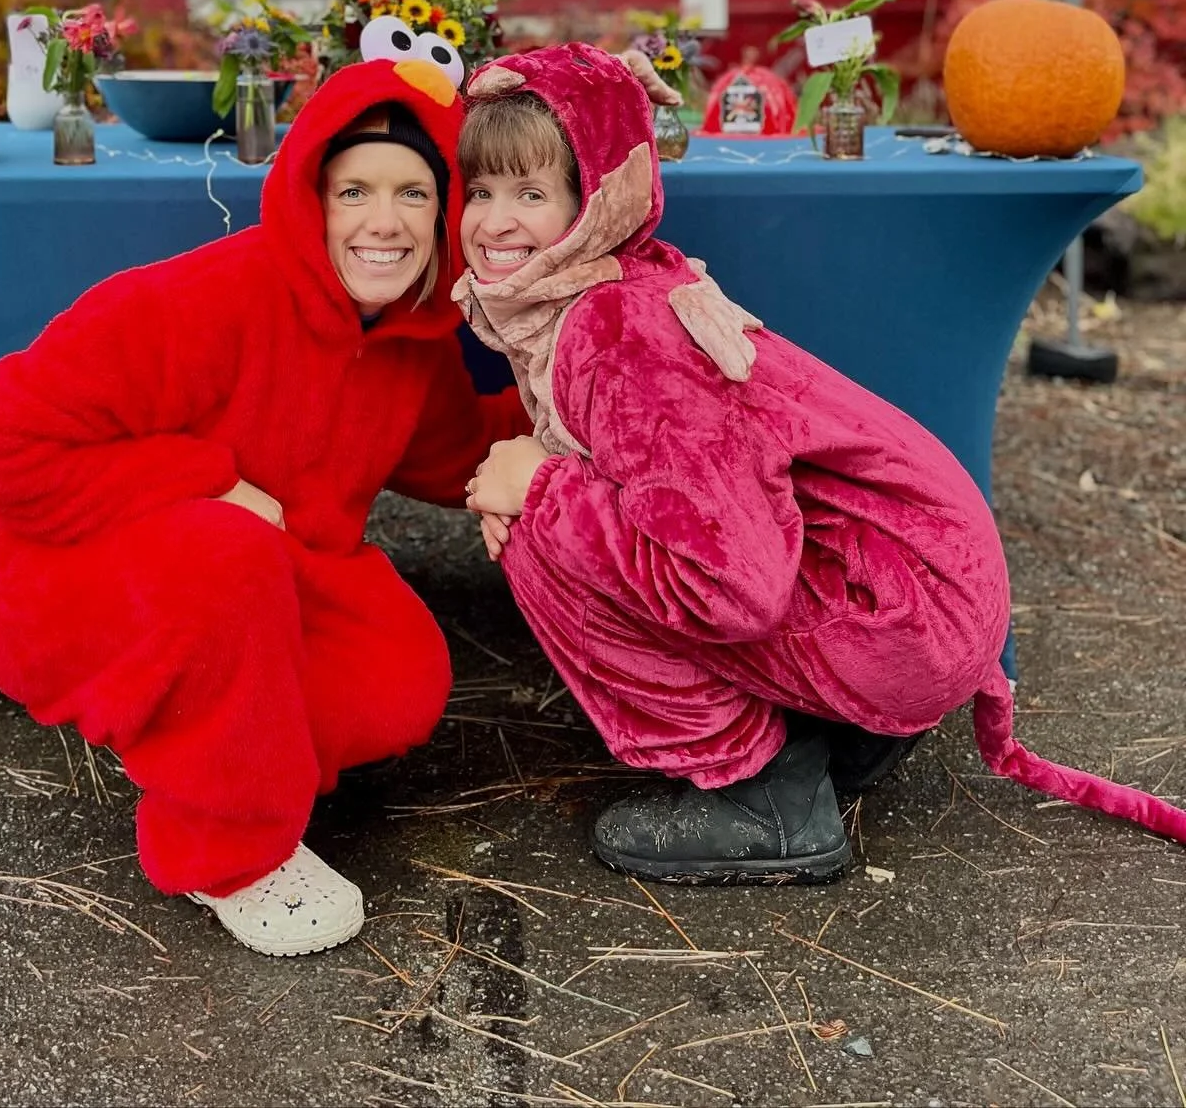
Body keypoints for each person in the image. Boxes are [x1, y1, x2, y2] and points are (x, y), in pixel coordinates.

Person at [458, 43, 1186, 882]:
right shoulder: (617, 285)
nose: (494, 221)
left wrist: (541, 491)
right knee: (550, 508)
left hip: (899, 617)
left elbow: (728, 585)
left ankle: (760, 795)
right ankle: (842, 731)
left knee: (538, 534)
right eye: (480, 191)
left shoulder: (620, 335)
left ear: (595, 199)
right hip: (914, 586)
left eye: (531, 193)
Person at [0, 52, 533, 959]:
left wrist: (571, 414)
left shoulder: (409, 342)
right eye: (353, 192)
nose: (384, 222)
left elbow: (454, 452)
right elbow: (3, 450)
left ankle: (211, 749)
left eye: (414, 194)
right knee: (227, 557)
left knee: (399, 677)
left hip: (255, 565)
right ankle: (225, 851)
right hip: (50, 565)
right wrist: (208, 478)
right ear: (312, 199)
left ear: (445, 210)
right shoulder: (199, 300)